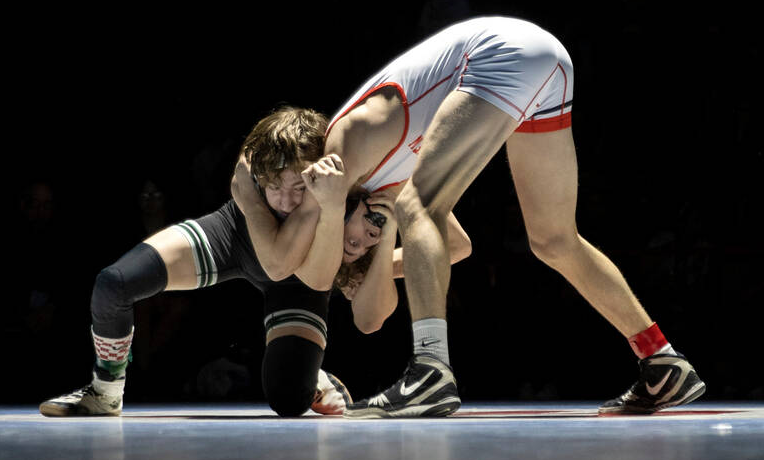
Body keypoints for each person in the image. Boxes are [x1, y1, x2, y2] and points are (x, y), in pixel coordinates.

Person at [239, 16, 705, 418]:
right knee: (554, 239)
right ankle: (662, 362)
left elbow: (304, 265)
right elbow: (434, 262)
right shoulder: (376, 190)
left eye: (351, 241)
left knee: (419, 204)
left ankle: (429, 370)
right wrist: (384, 244)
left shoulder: (342, 150)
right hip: (544, 65)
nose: (360, 242)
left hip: (501, 52)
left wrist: (255, 203)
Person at [39, 106, 460, 418]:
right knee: (114, 284)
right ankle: (105, 390)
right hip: (236, 239)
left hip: (297, 281)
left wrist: (368, 265)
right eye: (271, 188)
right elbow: (270, 245)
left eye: (298, 188)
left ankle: (314, 374)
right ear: (256, 175)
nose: (285, 201)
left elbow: (455, 244)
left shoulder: (348, 175)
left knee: (288, 400)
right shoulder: (251, 181)